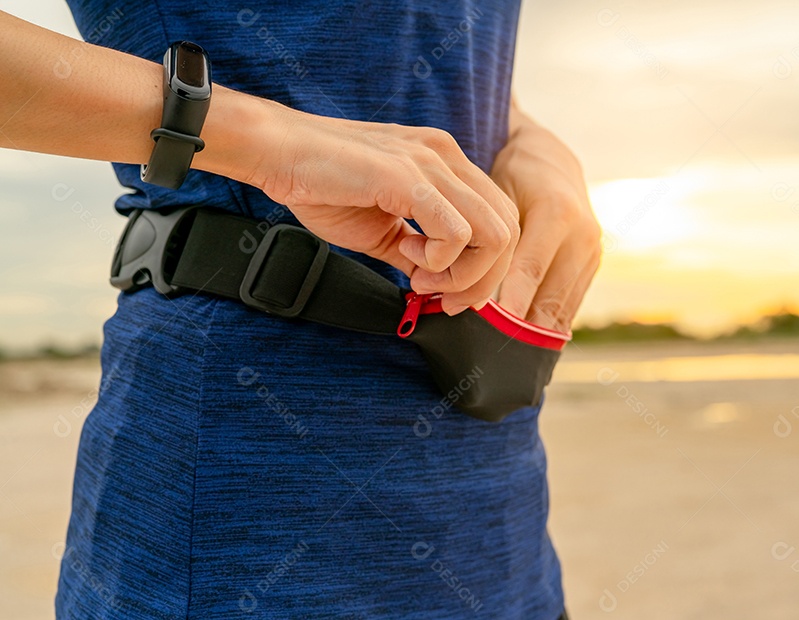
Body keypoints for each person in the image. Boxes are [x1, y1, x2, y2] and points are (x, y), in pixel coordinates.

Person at [0, 2, 600, 617]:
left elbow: (442, 50)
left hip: (498, 503)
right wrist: (268, 143)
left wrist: (535, 143)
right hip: (240, 498)